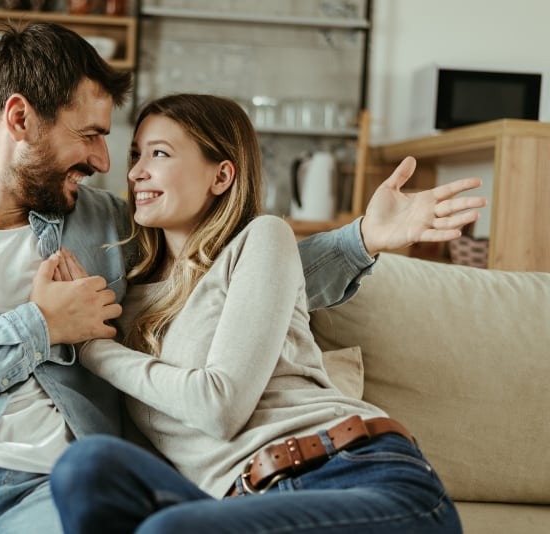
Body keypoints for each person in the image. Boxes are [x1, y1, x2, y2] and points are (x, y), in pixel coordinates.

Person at [0, 21, 482, 533]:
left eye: (124, 147)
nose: (107, 162)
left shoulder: (107, 223)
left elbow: (231, 281)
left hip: (51, 483)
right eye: (91, 136)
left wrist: (361, 239)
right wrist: (38, 327)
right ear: (20, 118)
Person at [49, 94, 463, 534]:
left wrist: (94, 347)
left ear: (222, 175)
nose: (135, 173)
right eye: (135, 155)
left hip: (354, 475)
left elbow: (219, 406)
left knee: (170, 531)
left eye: (159, 154)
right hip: (237, 504)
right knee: (86, 466)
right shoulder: (126, 303)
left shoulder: (262, 239)